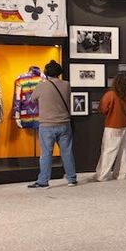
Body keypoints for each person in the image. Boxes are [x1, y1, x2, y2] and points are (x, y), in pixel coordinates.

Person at [28, 60, 77, 188]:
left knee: (46, 154)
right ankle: (71, 179)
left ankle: (43, 181)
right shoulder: (66, 85)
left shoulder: (41, 86)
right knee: (67, 152)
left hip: (47, 125)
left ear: (46, 72)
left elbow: (32, 99)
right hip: (64, 124)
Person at [95, 73, 126, 181]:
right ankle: (122, 174)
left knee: (108, 151)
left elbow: (103, 109)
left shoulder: (110, 94)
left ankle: (103, 175)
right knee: (124, 151)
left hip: (113, 126)